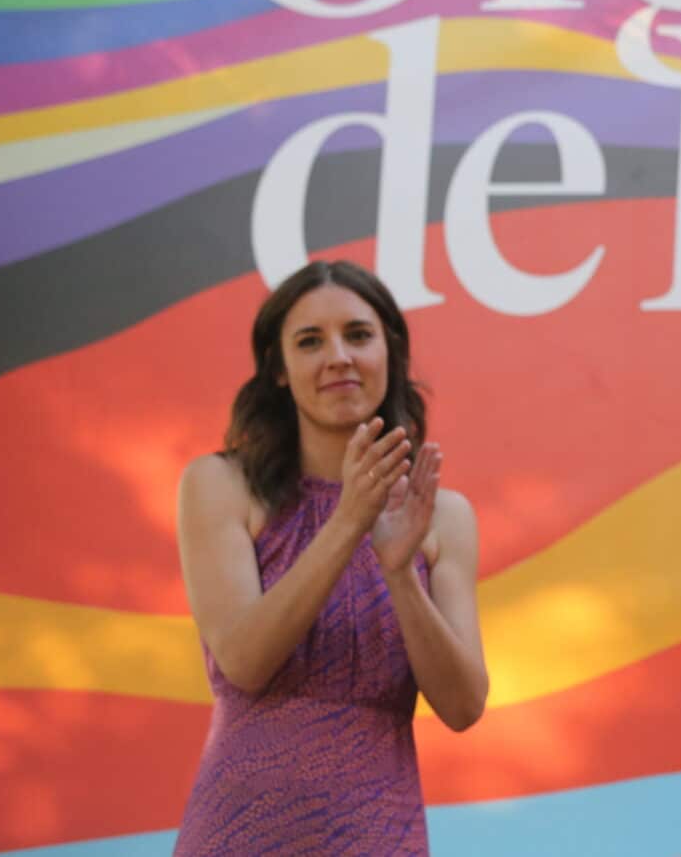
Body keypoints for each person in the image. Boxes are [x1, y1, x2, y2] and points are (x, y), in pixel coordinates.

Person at [173, 259, 489, 855]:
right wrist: (349, 521)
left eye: (358, 335)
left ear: (390, 352)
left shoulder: (443, 516)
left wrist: (399, 572)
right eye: (310, 342)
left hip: (379, 835)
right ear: (279, 370)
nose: (338, 357)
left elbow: (464, 705)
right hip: (241, 833)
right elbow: (242, 659)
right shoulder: (219, 484)